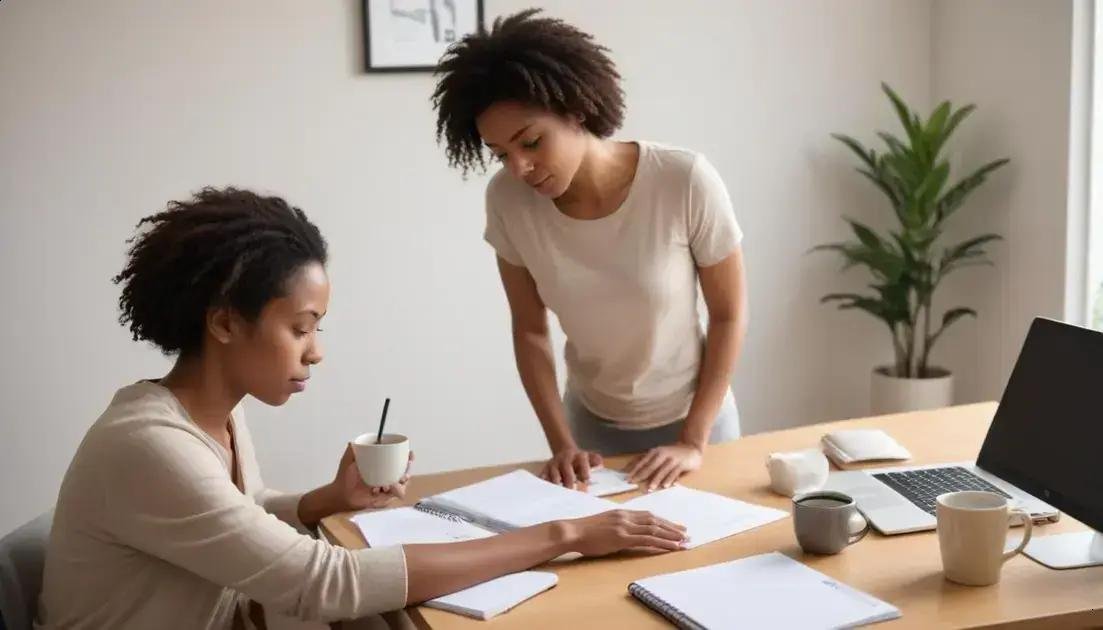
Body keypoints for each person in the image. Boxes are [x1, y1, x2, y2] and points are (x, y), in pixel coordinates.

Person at [36, 187, 686, 629]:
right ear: (226, 323)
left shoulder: (211, 413)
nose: (315, 352)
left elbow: (237, 514)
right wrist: (565, 535)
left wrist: (326, 500)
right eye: (300, 328)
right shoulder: (148, 446)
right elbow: (323, 583)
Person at [432, 10, 748, 492]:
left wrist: (693, 441)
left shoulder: (682, 180)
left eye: (531, 142)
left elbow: (729, 315)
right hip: (591, 433)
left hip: (699, 427)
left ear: (575, 109)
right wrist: (562, 445)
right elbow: (530, 330)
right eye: (501, 154)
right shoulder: (508, 201)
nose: (519, 167)